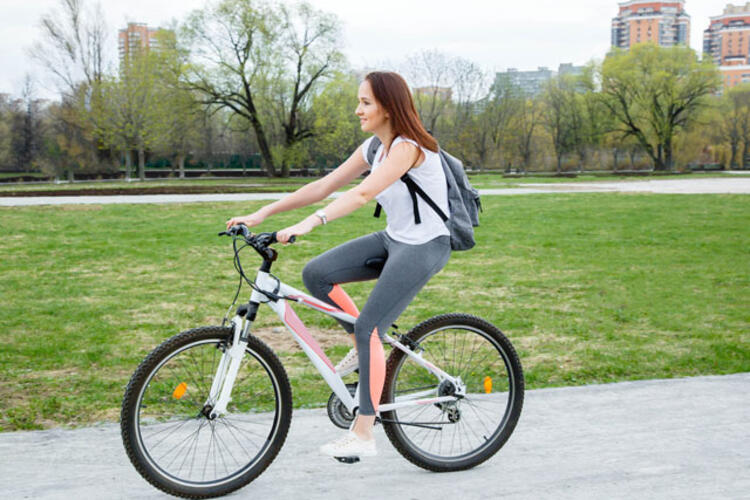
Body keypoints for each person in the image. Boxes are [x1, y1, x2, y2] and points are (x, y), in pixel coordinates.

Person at [226, 71, 451, 459]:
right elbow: (324, 186)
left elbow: (363, 193)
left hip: (426, 244)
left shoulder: (408, 148)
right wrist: (264, 212)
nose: (357, 109)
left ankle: (364, 432)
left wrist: (311, 222)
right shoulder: (373, 148)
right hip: (395, 239)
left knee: (369, 328)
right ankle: (365, 346)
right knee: (317, 274)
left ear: (387, 106)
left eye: (365, 102)